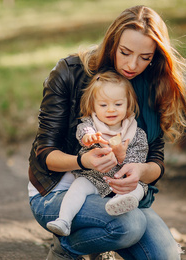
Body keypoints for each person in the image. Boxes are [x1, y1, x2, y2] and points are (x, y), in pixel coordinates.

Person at [28, 5, 186, 260]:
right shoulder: (69, 72)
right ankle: (66, 249)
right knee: (128, 226)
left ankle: (92, 241)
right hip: (57, 191)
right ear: (112, 44)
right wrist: (82, 160)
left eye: (145, 57)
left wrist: (141, 171)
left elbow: (156, 160)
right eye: (125, 52)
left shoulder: (152, 84)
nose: (133, 64)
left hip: (114, 193)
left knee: (166, 256)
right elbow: (44, 153)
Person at [46, 71, 149, 237]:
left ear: (128, 105)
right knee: (78, 186)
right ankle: (64, 220)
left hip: (123, 183)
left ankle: (120, 202)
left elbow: (139, 159)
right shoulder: (91, 126)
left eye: (118, 104)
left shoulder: (136, 133)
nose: (111, 110)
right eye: (103, 105)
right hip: (95, 178)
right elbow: (83, 132)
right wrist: (88, 138)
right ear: (93, 106)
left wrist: (122, 156)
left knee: (139, 188)